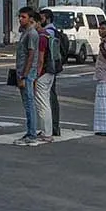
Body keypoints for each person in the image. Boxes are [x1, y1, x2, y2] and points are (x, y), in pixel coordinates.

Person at [15, 7, 44, 146]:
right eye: (20, 16)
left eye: (23, 17)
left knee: (29, 103)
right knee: (27, 103)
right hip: (22, 72)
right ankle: (30, 131)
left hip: (27, 73)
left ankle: (32, 134)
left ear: (31, 19)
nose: (20, 19)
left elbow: (31, 55)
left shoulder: (32, 34)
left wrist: (24, 75)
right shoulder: (25, 33)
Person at [40, 9, 64, 138]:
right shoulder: (52, 30)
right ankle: (53, 126)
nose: (39, 21)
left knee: (49, 97)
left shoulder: (48, 32)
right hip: (52, 68)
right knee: (50, 96)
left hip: (49, 68)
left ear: (47, 19)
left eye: (41, 18)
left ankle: (52, 127)